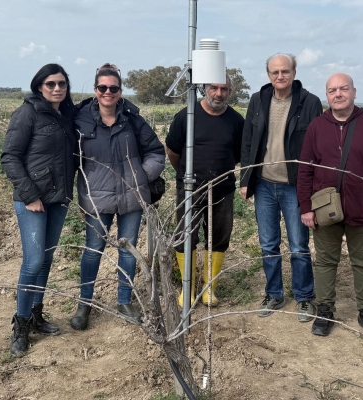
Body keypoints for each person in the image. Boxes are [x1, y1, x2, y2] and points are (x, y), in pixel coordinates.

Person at [69, 63, 166, 329]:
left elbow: (156, 152)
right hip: (96, 198)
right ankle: (84, 304)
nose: (108, 92)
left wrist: (140, 177)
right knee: (93, 251)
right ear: (95, 90)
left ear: (120, 92)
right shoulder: (80, 121)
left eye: (113, 88)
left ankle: (124, 301)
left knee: (128, 251)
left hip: (131, 198)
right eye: (103, 88)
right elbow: (68, 156)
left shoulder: (132, 120)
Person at [297, 73, 363, 338]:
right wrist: (306, 207)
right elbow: (305, 170)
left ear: (354, 92)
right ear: (327, 95)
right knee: (325, 261)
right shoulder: (316, 126)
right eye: (332, 90)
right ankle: (325, 310)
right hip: (325, 209)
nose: (338, 94)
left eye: (343, 88)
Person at [1, 63, 78, 357]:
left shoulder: (66, 115)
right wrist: (30, 195)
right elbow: (10, 157)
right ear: (39, 86)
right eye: (51, 84)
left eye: (62, 84)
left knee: (46, 260)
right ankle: (20, 324)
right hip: (32, 200)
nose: (57, 88)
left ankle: (36, 313)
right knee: (33, 262)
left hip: (58, 199)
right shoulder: (27, 113)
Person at [240, 53, 323, 321]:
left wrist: (312, 186)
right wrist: (245, 180)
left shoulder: (309, 102)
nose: (280, 76)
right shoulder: (258, 100)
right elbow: (248, 142)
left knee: (299, 245)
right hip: (264, 184)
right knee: (268, 244)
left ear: (294, 73)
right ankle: (274, 294)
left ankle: (304, 297)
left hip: (294, 186)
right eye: (275, 72)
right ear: (268, 75)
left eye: (285, 71)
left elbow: (317, 146)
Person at [166, 79, 244, 307]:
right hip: (190, 189)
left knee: (219, 237)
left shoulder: (236, 121)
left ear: (230, 91)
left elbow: (238, 154)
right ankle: (187, 289)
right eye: (214, 88)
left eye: (224, 89)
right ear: (204, 89)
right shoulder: (186, 116)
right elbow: (173, 151)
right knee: (185, 236)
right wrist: (186, 174)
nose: (219, 93)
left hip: (223, 189)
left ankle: (210, 288)